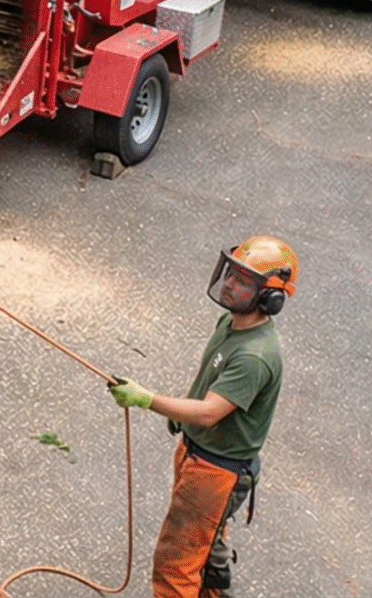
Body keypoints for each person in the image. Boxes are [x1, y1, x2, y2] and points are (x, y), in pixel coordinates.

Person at [108, 236, 296, 598]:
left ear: (270, 298)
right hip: (198, 454)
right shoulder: (230, 324)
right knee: (203, 545)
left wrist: (147, 399)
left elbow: (210, 413)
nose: (229, 284)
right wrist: (183, 407)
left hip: (215, 470)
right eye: (231, 274)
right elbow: (208, 380)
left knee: (176, 564)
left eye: (243, 281)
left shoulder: (255, 356)